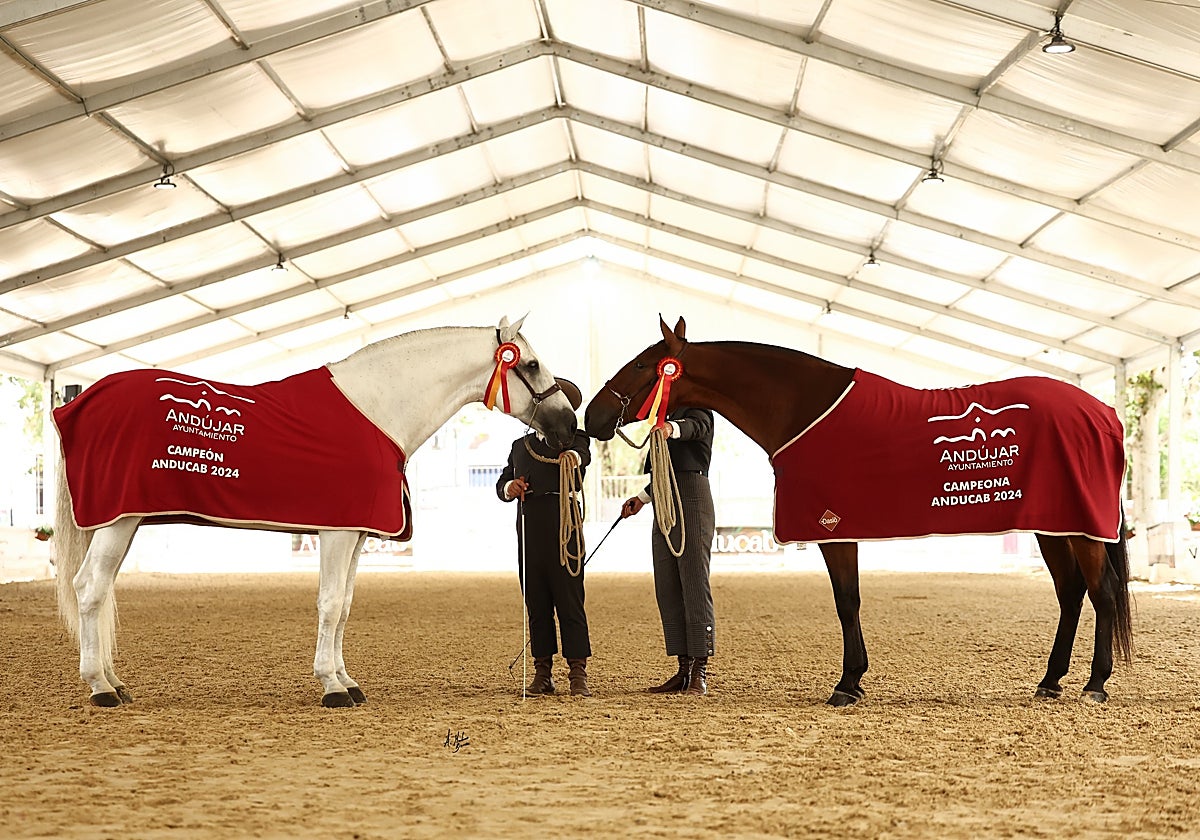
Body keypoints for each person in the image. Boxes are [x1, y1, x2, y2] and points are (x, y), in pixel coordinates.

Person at [496, 378, 594, 697]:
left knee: (569, 601)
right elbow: (503, 481)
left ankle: (577, 673)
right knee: (536, 603)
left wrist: (573, 459)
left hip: (563, 523)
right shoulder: (518, 446)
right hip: (529, 525)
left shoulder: (574, 438)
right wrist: (509, 489)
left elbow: (583, 455)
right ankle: (543, 672)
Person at [620, 406, 716, 696]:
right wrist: (641, 498)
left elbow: (697, 427)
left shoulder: (698, 409)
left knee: (694, 582)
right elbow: (664, 474)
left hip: (692, 493)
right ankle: (683, 668)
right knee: (668, 585)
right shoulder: (663, 414)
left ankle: (700, 668)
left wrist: (671, 429)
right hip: (663, 497)